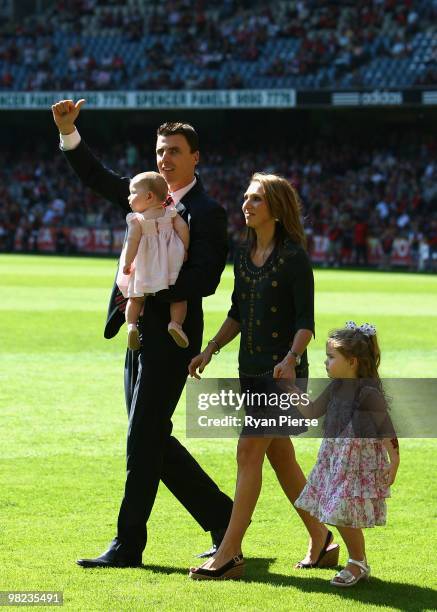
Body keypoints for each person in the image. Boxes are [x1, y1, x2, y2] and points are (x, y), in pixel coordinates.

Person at [51, 98, 233, 567]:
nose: (165, 159)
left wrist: (153, 289)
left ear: (196, 157)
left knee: (141, 437)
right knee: (150, 436)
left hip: (173, 334)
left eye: (174, 150)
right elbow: (99, 178)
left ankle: (128, 544)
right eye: (160, 151)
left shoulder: (207, 211)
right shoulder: (145, 193)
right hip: (138, 334)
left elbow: (207, 278)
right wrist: (70, 132)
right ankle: (223, 516)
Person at [188, 173, 339, 580]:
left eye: (256, 199)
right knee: (282, 459)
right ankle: (322, 540)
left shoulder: (295, 258)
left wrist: (291, 358)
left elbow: (306, 323)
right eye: (246, 198)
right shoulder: (242, 253)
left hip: (284, 375)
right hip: (249, 371)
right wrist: (210, 348)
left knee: (248, 452)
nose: (247, 205)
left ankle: (230, 552)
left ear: (276, 207)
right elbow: (238, 312)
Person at [293, 321, 400, 587]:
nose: (326, 363)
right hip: (334, 458)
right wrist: (292, 393)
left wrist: (394, 461)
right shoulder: (336, 387)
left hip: (358, 462)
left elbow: (386, 428)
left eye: (331, 357)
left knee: (341, 509)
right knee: (335, 510)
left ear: (351, 361)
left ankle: (357, 562)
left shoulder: (368, 392)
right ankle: (357, 561)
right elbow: (313, 411)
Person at [117, 171, 190, 350]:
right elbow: (183, 229)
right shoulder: (171, 213)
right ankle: (175, 324)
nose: (128, 197)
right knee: (179, 297)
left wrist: (127, 263)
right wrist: (185, 248)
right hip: (169, 262)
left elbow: (132, 242)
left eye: (133, 193)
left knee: (136, 299)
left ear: (149, 196)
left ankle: (132, 326)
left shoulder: (137, 220)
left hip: (145, 263)